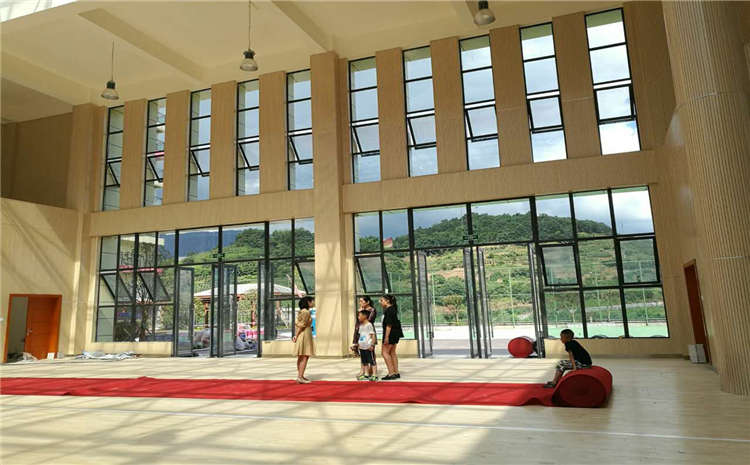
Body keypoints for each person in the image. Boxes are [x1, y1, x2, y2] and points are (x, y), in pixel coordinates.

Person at [351, 296, 377, 378]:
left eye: (362, 301)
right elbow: (358, 321)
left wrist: (361, 312)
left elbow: (369, 320)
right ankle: (364, 371)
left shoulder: (372, 310)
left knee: (371, 354)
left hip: (368, 334)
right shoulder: (360, 311)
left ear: (367, 302)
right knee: (363, 354)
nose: (360, 303)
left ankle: (372, 371)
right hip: (360, 332)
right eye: (359, 301)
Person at [380, 294, 404, 380]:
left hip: (391, 334)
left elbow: (389, 325)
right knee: (392, 352)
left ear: (387, 301)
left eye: (382, 300)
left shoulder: (389, 310)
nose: (380, 302)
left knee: (384, 353)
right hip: (395, 333)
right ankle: (396, 372)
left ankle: (391, 373)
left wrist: (386, 337)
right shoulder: (393, 309)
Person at [293, 297, 315, 384]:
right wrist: (296, 335)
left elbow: (299, 324)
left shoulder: (302, 311)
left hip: (303, 334)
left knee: (301, 355)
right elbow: (302, 325)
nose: (313, 303)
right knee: (305, 355)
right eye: (312, 301)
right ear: (308, 302)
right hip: (305, 334)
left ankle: (300, 375)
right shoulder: (306, 312)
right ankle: (300, 377)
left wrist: (296, 335)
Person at [356, 310, 377, 381]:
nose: (358, 317)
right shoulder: (361, 325)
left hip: (368, 347)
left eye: (359, 315)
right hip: (362, 347)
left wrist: (372, 345)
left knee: (372, 361)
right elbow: (360, 336)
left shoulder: (369, 325)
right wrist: (358, 344)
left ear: (365, 316)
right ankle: (366, 374)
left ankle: (374, 375)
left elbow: (373, 335)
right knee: (364, 361)